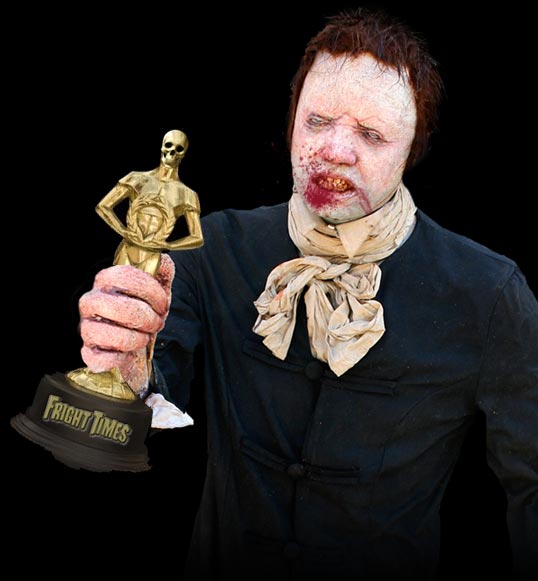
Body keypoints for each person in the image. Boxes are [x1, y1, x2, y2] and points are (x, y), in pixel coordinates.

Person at [76, 8, 537, 580]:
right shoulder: (213, 249)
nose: (334, 150)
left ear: (411, 150)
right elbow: (134, 417)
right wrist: (126, 371)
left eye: (371, 134)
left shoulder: (488, 294)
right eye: (317, 120)